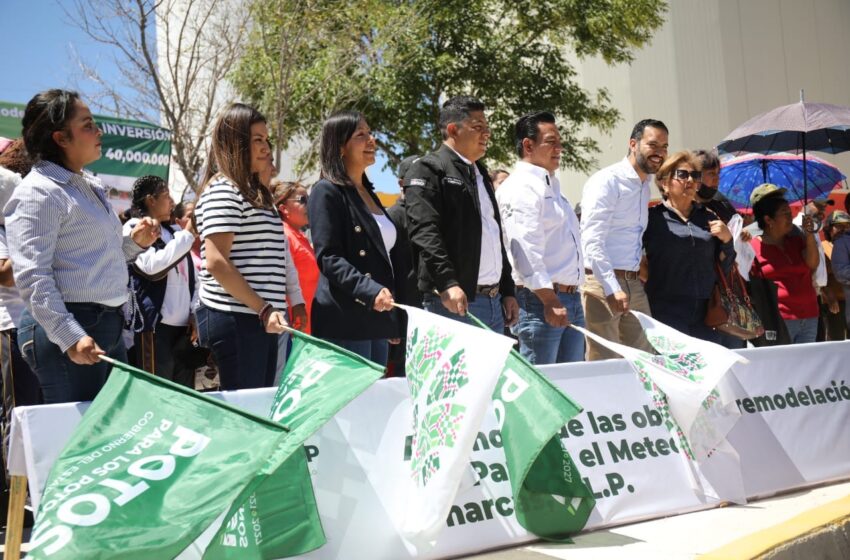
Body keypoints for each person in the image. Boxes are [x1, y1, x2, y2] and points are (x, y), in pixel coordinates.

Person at [4, 89, 158, 404]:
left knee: (109, 437)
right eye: (87, 124)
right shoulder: (39, 192)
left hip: (105, 327)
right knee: (74, 443)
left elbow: (97, 260)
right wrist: (70, 337)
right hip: (70, 331)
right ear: (61, 138)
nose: (98, 131)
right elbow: (33, 277)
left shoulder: (89, 186)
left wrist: (134, 245)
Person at [194, 102, 306, 389]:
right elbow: (216, 262)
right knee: (245, 414)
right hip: (237, 319)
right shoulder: (224, 190)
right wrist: (263, 308)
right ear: (235, 144)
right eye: (257, 140)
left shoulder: (255, 193)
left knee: (260, 406)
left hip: (259, 319)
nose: (266, 147)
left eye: (266, 139)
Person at [405, 96, 518, 333]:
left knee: (491, 372)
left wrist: (507, 290)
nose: (486, 134)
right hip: (455, 302)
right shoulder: (428, 168)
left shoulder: (480, 173)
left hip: (494, 303)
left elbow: (493, 235)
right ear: (453, 130)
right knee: (458, 372)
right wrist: (447, 283)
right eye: (478, 127)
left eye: (487, 128)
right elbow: (425, 232)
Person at [307, 110, 410, 364]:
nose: (371, 140)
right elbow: (329, 257)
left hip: (375, 315)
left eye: (370, 133)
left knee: (376, 400)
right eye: (361, 135)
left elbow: (382, 258)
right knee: (354, 402)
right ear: (340, 146)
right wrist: (370, 291)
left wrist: (390, 318)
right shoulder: (326, 191)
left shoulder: (368, 192)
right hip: (345, 316)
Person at [496, 111, 585, 364]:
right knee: (541, 390)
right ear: (528, 145)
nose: (559, 148)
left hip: (569, 299)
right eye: (551, 142)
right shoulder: (520, 187)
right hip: (540, 302)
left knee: (572, 387)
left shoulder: (552, 187)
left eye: (560, 142)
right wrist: (550, 299)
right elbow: (525, 250)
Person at [580, 119, 668, 360]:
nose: (660, 153)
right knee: (604, 362)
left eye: (664, 147)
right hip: (601, 283)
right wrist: (611, 286)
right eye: (653, 145)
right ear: (633, 144)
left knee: (645, 360)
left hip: (633, 283)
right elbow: (592, 239)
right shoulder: (607, 181)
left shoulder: (644, 185)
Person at [643, 151, 734, 342]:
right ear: (664, 183)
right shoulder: (651, 219)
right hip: (666, 311)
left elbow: (723, 267)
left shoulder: (709, 217)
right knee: (674, 369)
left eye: (695, 176)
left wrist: (727, 240)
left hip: (707, 312)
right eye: (682, 175)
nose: (690, 180)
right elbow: (637, 261)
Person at [124, 175, 198, 387]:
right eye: (166, 195)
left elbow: (192, 278)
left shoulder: (174, 232)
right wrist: (187, 234)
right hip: (155, 330)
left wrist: (193, 311)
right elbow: (153, 269)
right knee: (157, 396)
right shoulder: (134, 228)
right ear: (151, 200)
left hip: (183, 333)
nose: (172, 201)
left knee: (183, 398)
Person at [749, 184, 819, 344]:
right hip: (778, 321)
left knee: (807, 367)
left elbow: (812, 264)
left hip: (809, 316)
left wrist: (809, 236)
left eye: (790, 212)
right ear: (768, 220)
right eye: (785, 213)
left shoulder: (797, 240)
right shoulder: (752, 247)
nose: (790, 217)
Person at [271, 180, 319, 333]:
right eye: (303, 200)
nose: (309, 205)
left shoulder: (299, 236)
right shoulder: (284, 235)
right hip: (292, 325)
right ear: (283, 208)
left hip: (307, 325)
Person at [792, 199, 836, 341]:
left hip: (816, 294)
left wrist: (824, 289)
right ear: (805, 204)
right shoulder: (797, 227)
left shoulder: (815, 227)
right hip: (804, 294)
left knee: (819, 340)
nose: (822, 210)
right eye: (819, 206)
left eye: (824, 207)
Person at [825, 210, 850, 337]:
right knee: (837, 341)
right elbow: (820, 276)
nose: (843, 229)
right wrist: (828, 294)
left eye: (846, 226)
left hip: (847, 299)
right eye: (839, 226)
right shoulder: (823, 246)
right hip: (833, 303)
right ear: (829, 228)